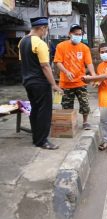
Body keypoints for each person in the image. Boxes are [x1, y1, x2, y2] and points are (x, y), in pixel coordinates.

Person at [18, 17, 63, 150]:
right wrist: (54, 84)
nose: (46, 32)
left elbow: (23, 62)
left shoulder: (22, 41)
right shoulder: (40, 43)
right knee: (44, 111)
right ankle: (43, 140)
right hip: (40, 82)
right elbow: (45, 66)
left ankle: (36, 138)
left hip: (28, 81)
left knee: (35, 109)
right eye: (46, 29)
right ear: (42, 28)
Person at [54, 24, 97, 130]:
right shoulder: (61, 46)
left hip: (81, 81)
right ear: (70, 34)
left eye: (80, 34)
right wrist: (66, 71)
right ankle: (69, 123)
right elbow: (58, 62)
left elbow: (89, 63)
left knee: (85, 103)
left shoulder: (84, 48)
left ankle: (85, 122)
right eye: (76, 34)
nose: (78, 36)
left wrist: (94, 76)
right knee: (66, 105)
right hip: (66, 82)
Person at [82, 43, 107, 151]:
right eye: (102, 52)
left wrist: (90, 78)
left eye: (106, 51)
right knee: (104, 121)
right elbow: (100, 80)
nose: (104, 53)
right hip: (103, 98)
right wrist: (95, 82)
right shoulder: (100, 66)